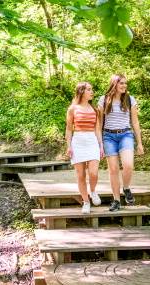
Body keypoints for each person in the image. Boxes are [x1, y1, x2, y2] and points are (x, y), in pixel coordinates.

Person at [99, 74, 144, 212]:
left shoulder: (130, 100)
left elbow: (135, 122)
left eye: (125, 83)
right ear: (114, 84)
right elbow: (99, 123)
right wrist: (99, 142)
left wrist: (140, 143)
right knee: (113, 170)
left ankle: (126, 187)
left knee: (128, 165)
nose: (124, 86)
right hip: (108, 136)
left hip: (125, 135)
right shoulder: (104, 99)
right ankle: (116, 200)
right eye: (121, 83)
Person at [65, 81, 104, 214]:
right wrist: (69, 146)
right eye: (89, 89)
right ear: (81, 92)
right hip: (78, 142)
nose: (92, 92)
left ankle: (93, 191)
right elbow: (69, 129)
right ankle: (86, 202)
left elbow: (98, 129)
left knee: (93, 173)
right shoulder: (72, 109)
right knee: (81, 175)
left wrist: (101, 145)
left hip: (92, 141)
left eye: (92, 89)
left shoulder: (95, 110)